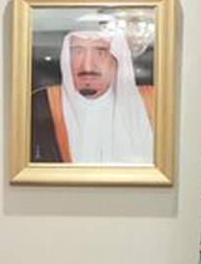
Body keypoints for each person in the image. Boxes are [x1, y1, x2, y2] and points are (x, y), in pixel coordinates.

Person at [30, 28, 155, 164]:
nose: (87, 66)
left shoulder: (152, 103)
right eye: (78, 52)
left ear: (117, 60)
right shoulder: (41, 104)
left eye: (100, 53)